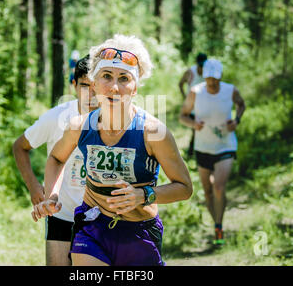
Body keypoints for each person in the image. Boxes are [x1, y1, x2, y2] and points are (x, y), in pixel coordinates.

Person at [32, 34, 193, 266]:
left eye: (124, 79)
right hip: (92, 227)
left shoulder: (153, 132)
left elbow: (185, 187)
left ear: (135, 88)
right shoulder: (79, 126)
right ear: (95, 84)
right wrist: (53, 195)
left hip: (139, 231)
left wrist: (143, 195)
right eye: (106, 76)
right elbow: (57, 157)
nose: (114, 88)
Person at [13, 55, 97, 266]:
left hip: (100, 217)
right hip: (61, 213)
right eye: (84, 86)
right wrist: (34, 187)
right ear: (73, 85)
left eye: (96, 87)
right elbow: (20, 147)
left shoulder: (114, 121)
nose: (91, 95)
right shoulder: (56, 117)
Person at [179, 58, 246, 245]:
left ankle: (219, 225)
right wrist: (193, 124)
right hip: (203, 147)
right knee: (207, 191)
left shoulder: (230, 90)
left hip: (226, 145)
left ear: (220, 76)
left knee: (218, 186)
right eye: (209, 78)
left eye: (215, 79)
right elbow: (182, 116)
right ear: (204, 76)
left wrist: (236, 121)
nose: (212, 82)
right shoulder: (196, 92)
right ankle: (216, 222)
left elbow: (241, 105)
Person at [178, 53, 208, 157]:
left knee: (200, 129)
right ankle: (192, 152)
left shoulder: (209, 72)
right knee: (196, 129)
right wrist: (185, 97)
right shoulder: (190, 72)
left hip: (204, 105)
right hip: (192, 106)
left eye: (203, 66)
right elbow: (181, 83)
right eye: (200, 66)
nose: (202, 68)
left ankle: (194, 152)